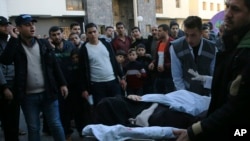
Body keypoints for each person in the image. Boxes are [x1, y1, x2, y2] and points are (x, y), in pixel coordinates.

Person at [173, 0, 250, 140]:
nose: (227, 14)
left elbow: (236, 106)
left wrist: (195, 131)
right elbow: (224, 83)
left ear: (201, 33)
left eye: (235, 9)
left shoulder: (237, 51)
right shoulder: (233, 45)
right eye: (226, 6)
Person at [0, 14, 68, 141]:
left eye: (33, 24)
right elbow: (5, 60)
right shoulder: (16, 46)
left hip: (48, 93)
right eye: (27, 25)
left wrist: (62, 83)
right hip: (28, 96)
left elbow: (54, 66)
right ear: (18, 28)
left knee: (56, 124)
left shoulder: (43, 44)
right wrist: (14, 39)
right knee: (33, 128)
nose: (32, 27)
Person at [78, 22, 126, 107]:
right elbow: (82, 70)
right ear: (86, 34)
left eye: (94, 31)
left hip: (112, 81)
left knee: (118, 105)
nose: (93, 34)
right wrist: (84, 89)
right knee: (102, 109)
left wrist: (121, 77)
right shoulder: (84, 49)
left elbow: (114, 61)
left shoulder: (106, 44)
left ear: (98, 32)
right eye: (90, 32)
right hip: (97, 84)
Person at [170, 16, 217, 96]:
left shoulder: (212, 48)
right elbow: (177, 77)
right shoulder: (175, 47)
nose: (189, 39)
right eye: (186, 35)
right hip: (185, 92)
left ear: (201, 33)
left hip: (206, 94)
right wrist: (186, 97)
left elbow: (214, 75)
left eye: (193, 35)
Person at [48, 25, 75, 139]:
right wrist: (51, 49)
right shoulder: (48, 48)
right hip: (57, 85)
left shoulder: (70, 45)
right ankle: (65, 133)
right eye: (54, 35)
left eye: (58, 34)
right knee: (61, 111)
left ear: (62, 34)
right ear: (50, 37)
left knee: (72, 109)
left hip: (72, 82)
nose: (57, 37)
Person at [0, 16, 20, 141]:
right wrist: (4, 87)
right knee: (8, 120)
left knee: (13, 119)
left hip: (13, 82)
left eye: (7, 25)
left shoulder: (6, 41)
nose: (6, 27)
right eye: (3, 25)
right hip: (4, 84)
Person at [148, 24, 175, 94]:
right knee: (157, 93)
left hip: (169, 75)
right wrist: (153, 63)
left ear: (166, 32)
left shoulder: (173, 43)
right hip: (159, 74)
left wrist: (165, 66)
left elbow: (176, 61)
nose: (157, 32)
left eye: (160, 31)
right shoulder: (159, 43)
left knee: (170, 95)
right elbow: (158, 57)